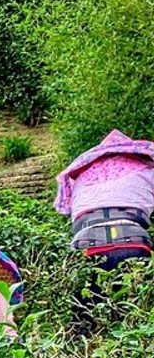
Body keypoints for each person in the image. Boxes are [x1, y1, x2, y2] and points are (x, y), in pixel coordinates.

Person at [54, 129, 154, 332]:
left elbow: (68, 212)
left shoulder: (81, 175)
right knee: (138, 314)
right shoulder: (146, 169)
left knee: (85, 318)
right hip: (134, 241)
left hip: (85, 244)